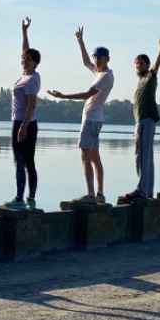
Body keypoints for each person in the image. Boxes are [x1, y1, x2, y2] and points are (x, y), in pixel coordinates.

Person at [48, 28, 114, 204]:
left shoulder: (105, 76)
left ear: (107, 59)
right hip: (95, 119)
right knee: (94, 157)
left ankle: (91, 194)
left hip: (91, 119)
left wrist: (62, 96)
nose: (96, 60)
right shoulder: (100, 73)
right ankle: (99, 194)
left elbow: (87, 94)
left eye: (100, 57)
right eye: (95, 57)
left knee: (85, 156)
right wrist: (81, 42)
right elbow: (86, 62)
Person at [121, 38, 160, 203]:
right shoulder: (141, 81)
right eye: (136, 63)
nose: (138, 65)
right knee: (147, 157)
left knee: (141, 156)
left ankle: (142, 189)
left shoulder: (149, 77)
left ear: (147, 65)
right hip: (143, 122)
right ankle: (148, 190)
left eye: (141, 62)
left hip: (145, 121)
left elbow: (157, 65)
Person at [4, 17, 41, 209]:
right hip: (22, 123)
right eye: (24, 59)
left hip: (24, 123)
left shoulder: (31, 80)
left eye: (29, 59)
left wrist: (23, 128)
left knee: (23, 162)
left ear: (35, 63)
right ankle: (28, 199)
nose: (24, 60)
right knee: (25, 162)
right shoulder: (26, 76)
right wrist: (25, 32)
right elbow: (25, 50)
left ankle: (22, 199)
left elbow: (32, 105)